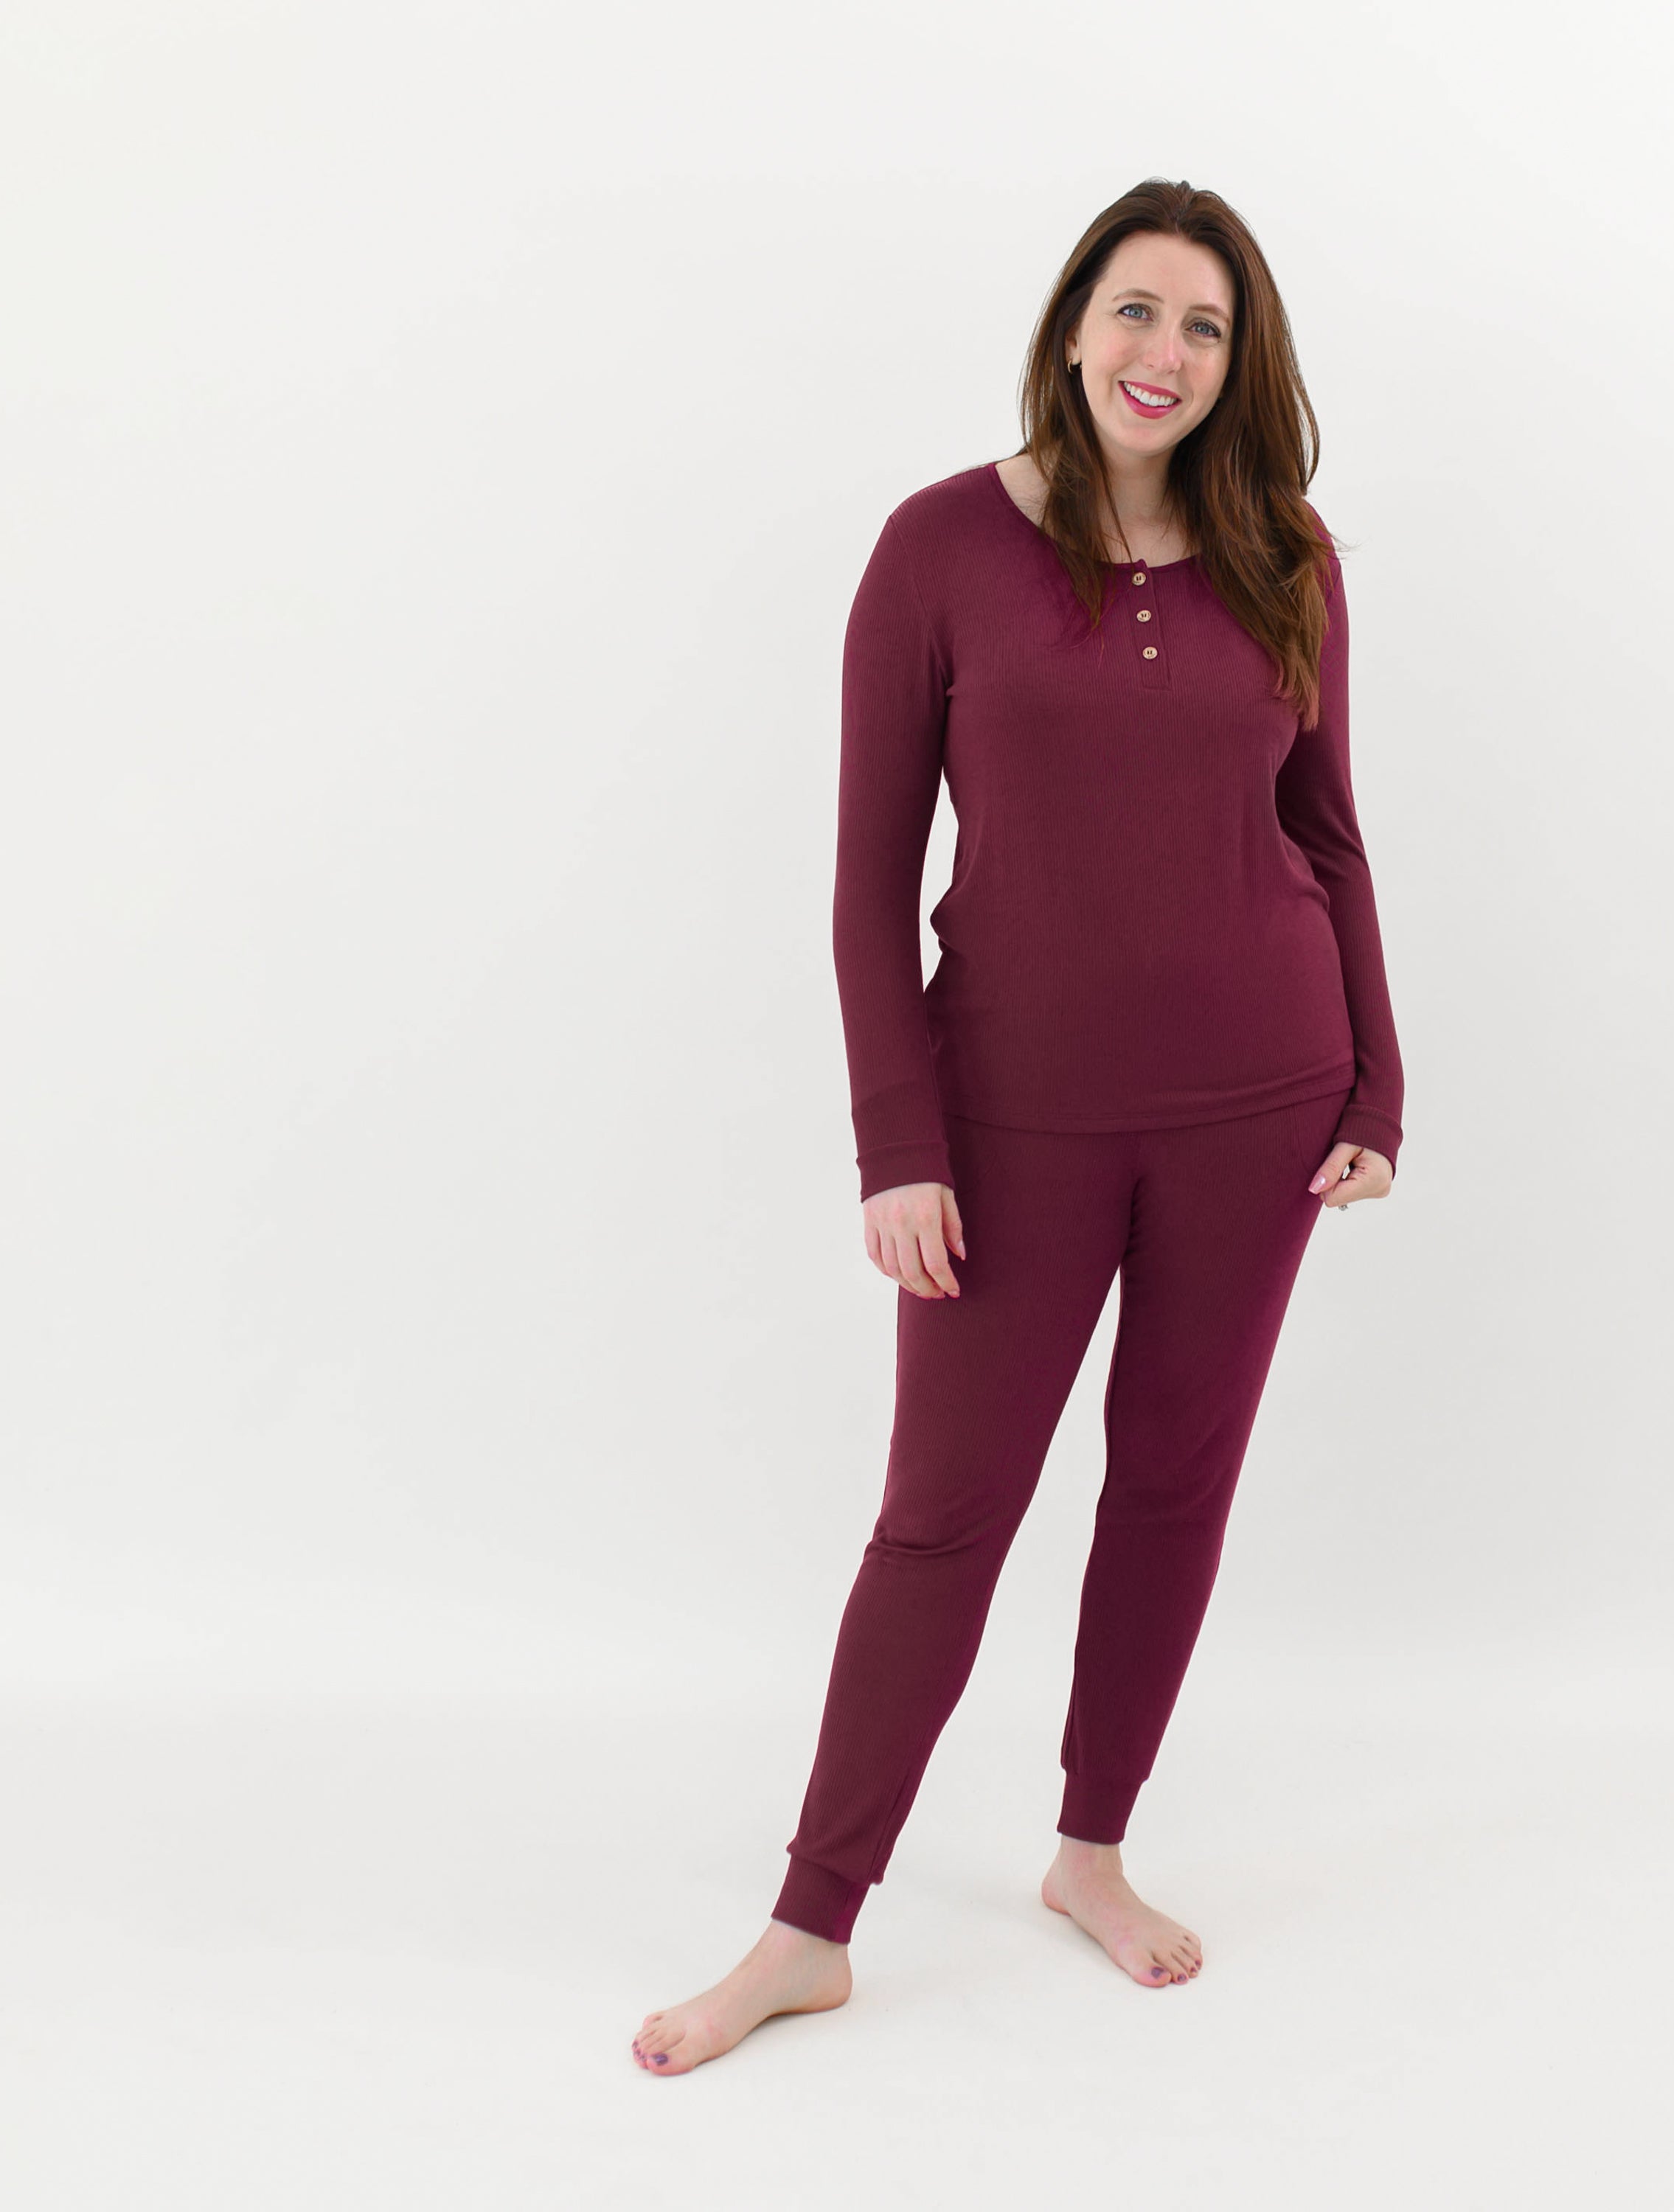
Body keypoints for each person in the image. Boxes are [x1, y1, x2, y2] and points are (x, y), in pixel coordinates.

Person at [632, 178, 1404, 2077]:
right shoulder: (942, 548)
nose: (1164, 354)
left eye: (1206, 330)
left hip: (1259, 1100)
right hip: (1010, 1127)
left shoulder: (1285, 557)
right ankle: (811, 1926)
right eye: (1136, 312)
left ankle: (1089, 1851)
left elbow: (1330, 834)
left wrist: (1378, 1077)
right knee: (944, 1517)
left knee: (1172, 1482)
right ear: (1075, 325)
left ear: (1243, 368)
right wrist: (900, 1138)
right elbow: (866, 870)